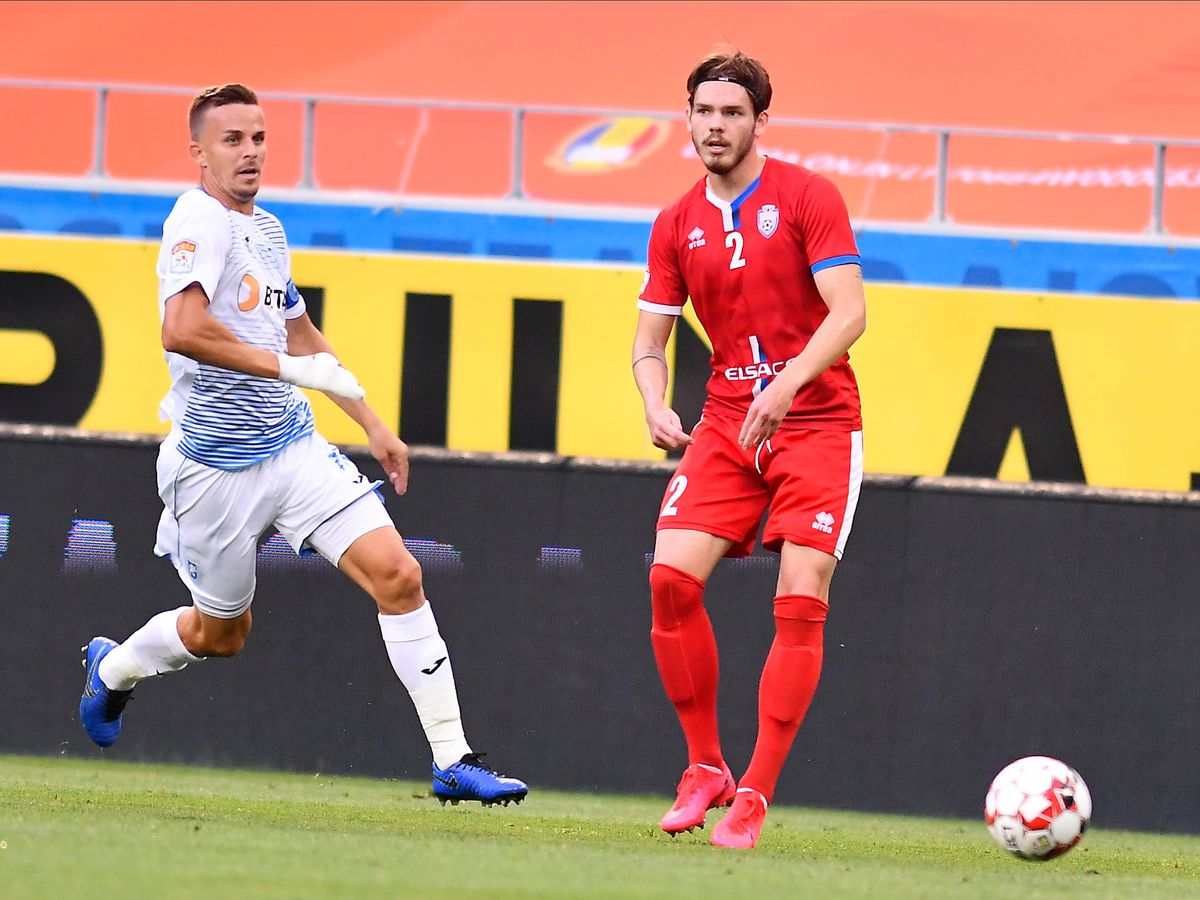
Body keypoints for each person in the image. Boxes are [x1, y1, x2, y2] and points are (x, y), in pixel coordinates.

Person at [78, 83, 527, 808]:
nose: (250, 151)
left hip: (291, 448)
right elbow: (181, 329)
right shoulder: (197, 222)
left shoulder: (268, 229)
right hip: (214, 472)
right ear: (197, 152)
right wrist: (292, 370)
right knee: (222, 634)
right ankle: (115, 670)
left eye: (258, 137)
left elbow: (299, 335)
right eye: (232, 140)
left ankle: (454, 759)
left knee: (400, 575)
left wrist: (370, 421)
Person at [631, 52, 866, 849]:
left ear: (762, 121)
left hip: (819, 419)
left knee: (799, 598)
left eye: (733, 113)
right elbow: (650, 340)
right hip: (730, 419)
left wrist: (788, 384)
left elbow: (849, 313)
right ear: (687, 117)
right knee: (668, 580)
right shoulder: (675, 222)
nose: (716, 126)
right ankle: (705, 768)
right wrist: (655, 400)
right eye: (704, 112)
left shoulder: (807, 196)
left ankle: (756, 792)